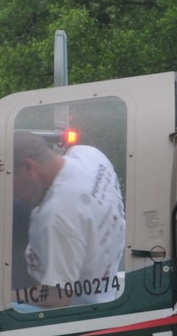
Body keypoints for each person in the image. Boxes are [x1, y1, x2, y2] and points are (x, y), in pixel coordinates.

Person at [11, 130, 126, 307]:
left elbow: (58, 297)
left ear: (29, 167)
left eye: (11, 183)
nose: (14, 194)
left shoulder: (56, 217)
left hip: (78, 310)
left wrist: (1, 297)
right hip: (104, 282)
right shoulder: (90, 155)